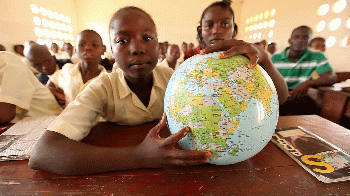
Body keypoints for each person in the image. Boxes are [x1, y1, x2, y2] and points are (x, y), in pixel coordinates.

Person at [29, 6, 212, 175]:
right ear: (111, 51)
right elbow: (43, 152)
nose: (137, 48)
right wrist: (139, 156)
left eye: (147, 38)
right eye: (122, 40)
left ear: (159, 44)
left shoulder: (175, 79)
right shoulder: (102, 87)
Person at [197, 0, 288, 105]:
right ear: (201, 31)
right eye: (209, 25)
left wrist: (265, 58)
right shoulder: (193, 63)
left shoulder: (249, 57)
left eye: (225, 24)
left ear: (234, 29)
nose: (216, 30)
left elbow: (281, 98)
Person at [271, 26, 337, 115]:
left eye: (305, 37)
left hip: (300, 96)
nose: (300, 40)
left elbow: (331, 77)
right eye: (296, 37)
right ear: (290, 40)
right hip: (278, 95)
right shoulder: (275, 58)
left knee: (313, 108)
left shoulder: (317, 56)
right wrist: (281, 94)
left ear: (309, 41)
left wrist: (307, 83)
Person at [46, 29, 107, 107]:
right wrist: (53, 91)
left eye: (94, 45)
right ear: (76, 50)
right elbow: (50, 84)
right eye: (82, 44)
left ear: (102, 50)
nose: (88, 48)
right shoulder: (67, 69)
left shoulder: (107, 79)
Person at [0, 52, 63, 124]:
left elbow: (4, 115)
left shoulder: (6, 60)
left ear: (54, 58)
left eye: (47, 61)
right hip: (25, 126)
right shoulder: (41, 76)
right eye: (37, 65)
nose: (45, 67)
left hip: (51, 124)